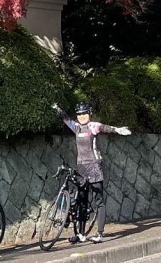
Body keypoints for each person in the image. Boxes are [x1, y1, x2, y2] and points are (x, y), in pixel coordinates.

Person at [51, 101, 132, 244]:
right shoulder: (76, 127)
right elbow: (65, 119)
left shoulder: (92, 126)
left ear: (90, 113)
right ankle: (81, 234)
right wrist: (57, 108)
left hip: (94, 166)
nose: (82, 116)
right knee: (82, 201)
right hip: (81, 167)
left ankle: (100, 234)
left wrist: (117, 130)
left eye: (84, 113)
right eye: (79, 114)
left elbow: (104, 127)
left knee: (98, 201)